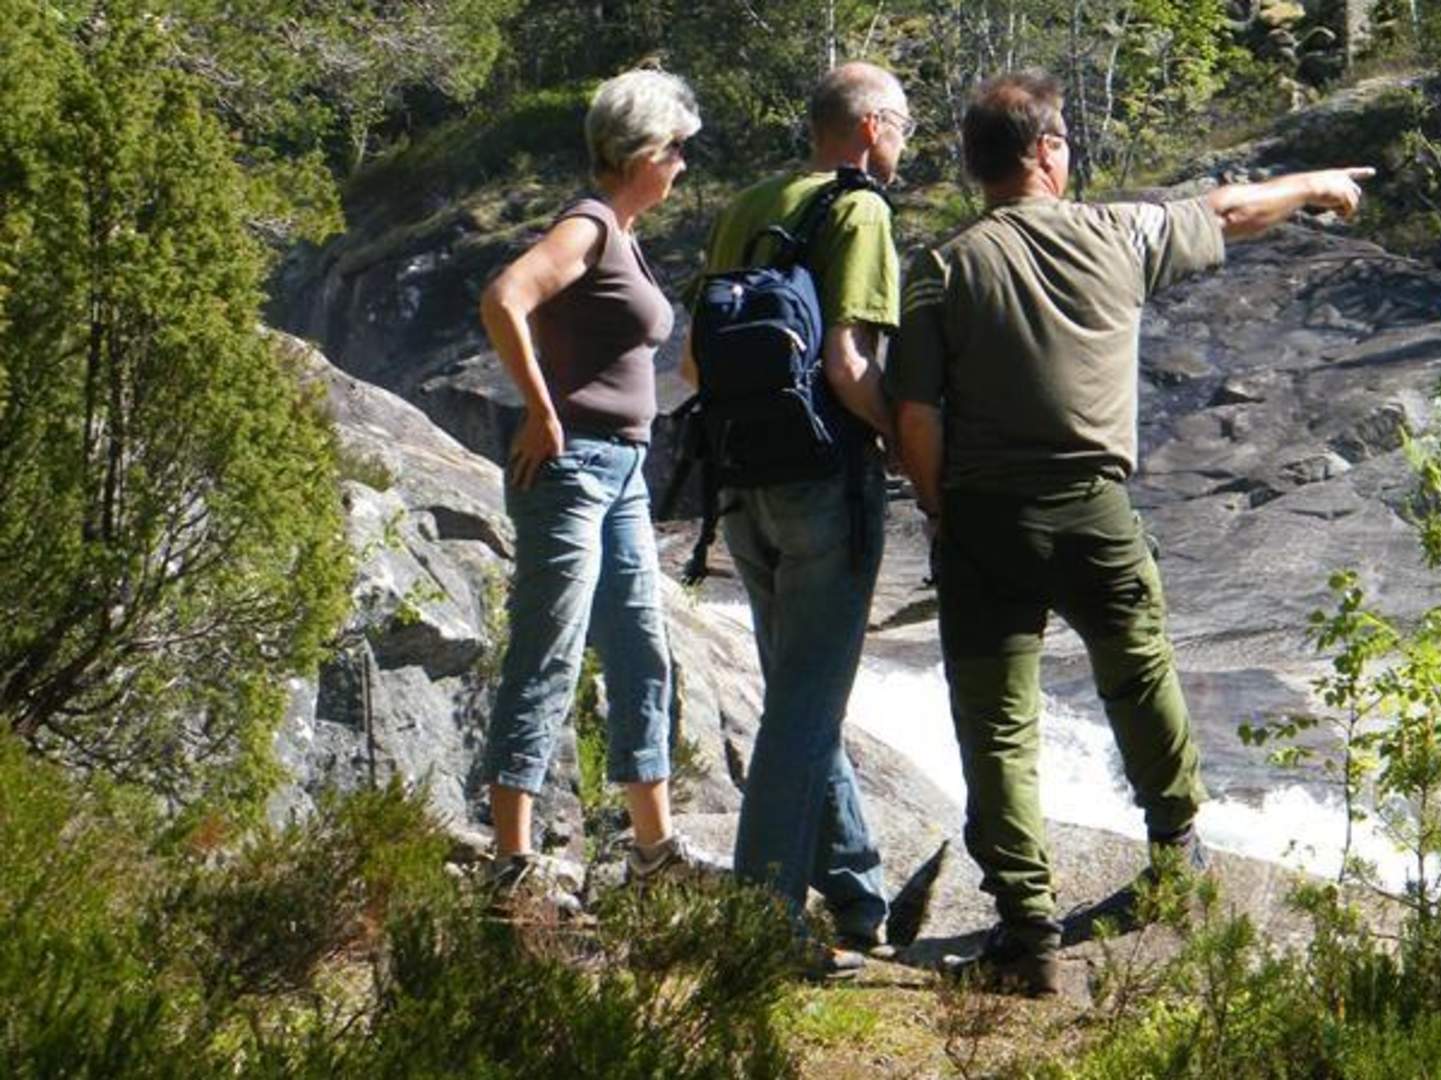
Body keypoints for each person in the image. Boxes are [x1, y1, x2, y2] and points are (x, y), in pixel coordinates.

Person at [888, 70, 1373, 996]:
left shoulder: (942, 267)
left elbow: (916, 416)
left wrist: (941, 506)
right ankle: (1176, 847)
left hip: (985, 516)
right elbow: (1227, 213)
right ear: (1047, 153)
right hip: (1095, 515)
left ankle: (1025, 931)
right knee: (1138, 675)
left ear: (974, 164)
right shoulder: (1118, 232)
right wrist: (1315, 185)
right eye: (1064, 139)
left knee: (997, 726)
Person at [684, 61, 913, 974]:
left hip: (738, 484)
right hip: (826, 482)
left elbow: (701, 361)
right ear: (866, 128)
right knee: (803, 709)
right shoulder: (860, 211)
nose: (907, 141)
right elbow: (850, 365)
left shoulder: (749, 204)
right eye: (901, 123)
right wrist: (907, 443)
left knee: (799, 694)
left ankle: (856, 894)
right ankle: (760, 923)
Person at [477, 67, 718, 910]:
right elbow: (505, 296)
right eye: (678, 150)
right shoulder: (586, 225)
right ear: (644, 150)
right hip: (573, 471)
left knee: (640, 651)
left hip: (617, 475)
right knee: (548, 655)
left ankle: (652, 851)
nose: (684, 165)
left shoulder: (621, 228)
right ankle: (509, 862)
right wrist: (541, 414)